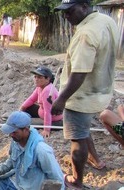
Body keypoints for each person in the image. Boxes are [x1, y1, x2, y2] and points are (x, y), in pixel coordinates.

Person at [52, 0, 119, 189]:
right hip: (101, 90)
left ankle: (77, 180)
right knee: (83, 129)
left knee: (77, 138)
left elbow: (80, 73)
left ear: (84, 6)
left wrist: (62, 99)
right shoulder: (106, 21)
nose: (66, 16)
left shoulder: (85, 34)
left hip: (81, 96)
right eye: (64, 13)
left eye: (70, 11)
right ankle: (95, 159)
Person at [0, 111, 64, 190]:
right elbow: (12, 160)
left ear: (26, 130)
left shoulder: (41, 150)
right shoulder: (16, 141)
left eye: (14, 132)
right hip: (14, 182)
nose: (11, 135)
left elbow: (57, 178)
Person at [20, 66, 63, 138]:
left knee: (24, 123)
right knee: (26, 108)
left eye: (40, 77)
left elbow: (48, 112)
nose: (36, 79)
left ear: (47, 79)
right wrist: (22, 107)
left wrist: (46, 129)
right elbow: (31, 99)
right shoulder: (40, 87)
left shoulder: (48, 91)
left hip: (52, 117)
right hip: (42, 111)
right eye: (35, 77)